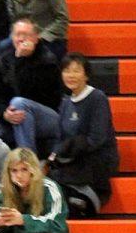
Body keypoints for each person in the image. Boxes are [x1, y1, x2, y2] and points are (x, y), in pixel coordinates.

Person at [48, 52, 118, 216]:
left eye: (76, 71)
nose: (70, 75)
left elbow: (97, 139)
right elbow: (60, 138)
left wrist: (68, 151)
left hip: (96, 157)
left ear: (86, 75)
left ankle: (85, 199)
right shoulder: (66, 102)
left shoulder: (97, 98)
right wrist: (56, 154)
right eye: (66, 71)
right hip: (74, 156)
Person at [0, 18, 62, 155]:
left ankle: (28, 161)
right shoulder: (3, 60)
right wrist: (4, 113)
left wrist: (22, 61)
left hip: (47, 117)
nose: (21, 39)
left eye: (26, 35)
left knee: (19, 103)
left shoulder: (47, 60)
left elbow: (44, 97)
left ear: (36, 38)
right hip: (16, 117)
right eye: (17, 35)